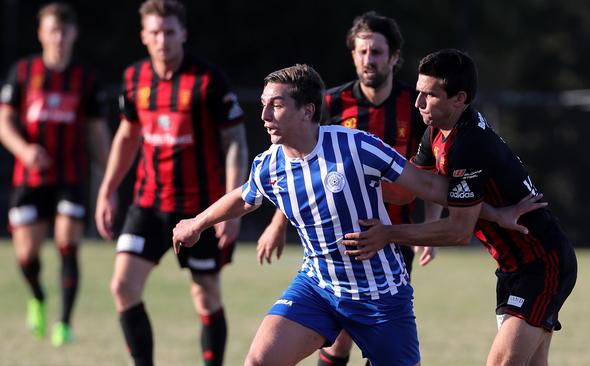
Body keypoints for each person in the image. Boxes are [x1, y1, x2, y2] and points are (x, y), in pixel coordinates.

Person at [172, 64, 542, 366]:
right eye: (264, 105)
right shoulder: (269, 165)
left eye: (277, 105)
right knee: (258, 362)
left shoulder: (357, 146)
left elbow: (431, 187)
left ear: (307, 110)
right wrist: (197, 223)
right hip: (318, 289)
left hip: (382, 296)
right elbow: (245, 197)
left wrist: (493, 213)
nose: (265, 115)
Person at [342, 49, 578, 366]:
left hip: (542, 263)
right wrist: (354, 180)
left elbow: (458, 230)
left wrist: (389, 234)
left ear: (458, 98)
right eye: (418, 92)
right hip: (513, 267)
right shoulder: (436, 132)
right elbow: (412, 190)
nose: (417, 103)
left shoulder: (469, 144)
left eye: (430, 95)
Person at [256, 12, 439, 365]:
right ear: (353, 56)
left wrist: (427, 231)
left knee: (376, 338)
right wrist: (278, 224)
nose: (369, 60)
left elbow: (430, 171)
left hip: (392, 238)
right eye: (362, 52)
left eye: (377, 52)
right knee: (337, 341)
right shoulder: (331, 105)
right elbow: (299, 165)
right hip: (340, 239)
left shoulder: (414, 106)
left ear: (394, 58)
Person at [94, 1, 248, 365]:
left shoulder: (207, 81)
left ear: (183, 34)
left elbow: (236, 144)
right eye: (155, 33)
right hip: (147, 204)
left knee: (206, 294)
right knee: (122, 287)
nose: (162, 40)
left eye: (169, 32)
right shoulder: (134, 79)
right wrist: (107, 189)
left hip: (200, 209)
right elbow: (127, 136)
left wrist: (232, 209)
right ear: (143, 36)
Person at [0, 2, 110, 347]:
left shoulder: (85, 80)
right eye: (52, 31)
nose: (58, 38)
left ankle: (64, 322)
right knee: (26, 254)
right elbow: (4, 123)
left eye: (64, 31)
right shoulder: (22, 72)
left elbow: (97, 133)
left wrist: (109, 180)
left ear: (73, 34)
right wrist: (24, 150)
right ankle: (38, 297)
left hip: (70, 177)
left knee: (67, 244)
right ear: (41, 34)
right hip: (29, 180)